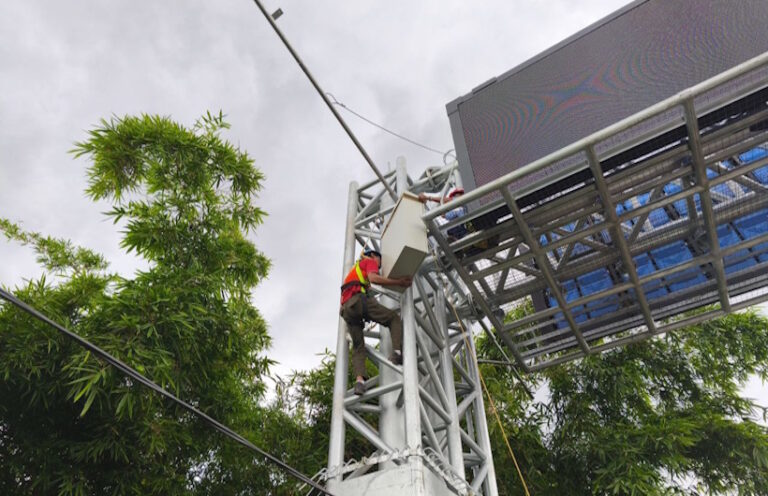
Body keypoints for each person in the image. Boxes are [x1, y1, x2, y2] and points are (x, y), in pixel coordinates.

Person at [340, 248, 412, 395]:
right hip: (358, 302)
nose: (378, 266)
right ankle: (397, 352)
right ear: (374, 256)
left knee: (358, 347)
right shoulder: (369, 261)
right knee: (393, 318)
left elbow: (367, 285)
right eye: (379, 262)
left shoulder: (356, 270)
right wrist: (398, 282)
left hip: (347, 310)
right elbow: (373, 278)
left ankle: (359, 382)